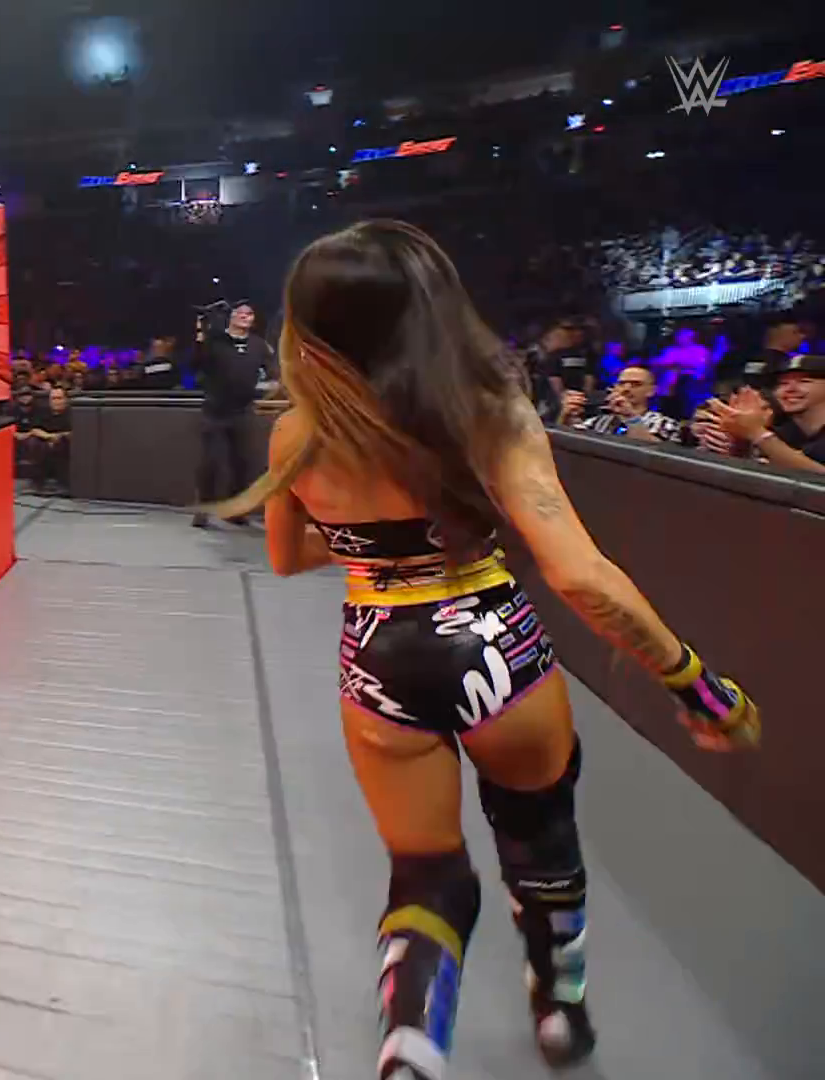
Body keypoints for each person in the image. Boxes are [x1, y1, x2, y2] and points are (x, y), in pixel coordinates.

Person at [216, 221, 760, 1078]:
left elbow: (288, 557)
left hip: (378, 658)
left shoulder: (298, 435)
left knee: (425, 873)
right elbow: (580, 575)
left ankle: (410, 1045)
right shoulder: (487, 415)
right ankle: (560, 1009)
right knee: (540, 838)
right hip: (493, 646)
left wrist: (373, 539)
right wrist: (695, 683)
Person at [192, 300, 278, 527]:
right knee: (211, 463)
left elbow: (272, 371)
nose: (244, 316)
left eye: (249, 313)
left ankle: (236, 511)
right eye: (240, 312)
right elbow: (197, 363)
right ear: (230, 317)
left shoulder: (258, 345)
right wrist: (201, 334)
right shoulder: (216, 342)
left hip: (243, 410)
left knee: (243, 463)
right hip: (215, 410)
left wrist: (272, 387)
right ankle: (203, 509)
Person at [707, 352, 825, 474]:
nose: (790, 389)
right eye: (782, 383)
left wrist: (757, 434)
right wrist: (737, 440)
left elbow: (819, 478)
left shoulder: (768, 436)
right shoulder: (786, 431)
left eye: (804, 381)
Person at [558, 364, 684, 443]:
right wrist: (565, 416)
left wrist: (631, 418)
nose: (626, 389)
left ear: (651, 391)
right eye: (621, 384)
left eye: (636, 384)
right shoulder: (597, 422)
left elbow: (656, 455)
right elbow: (566, 444)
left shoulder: (666, 424)